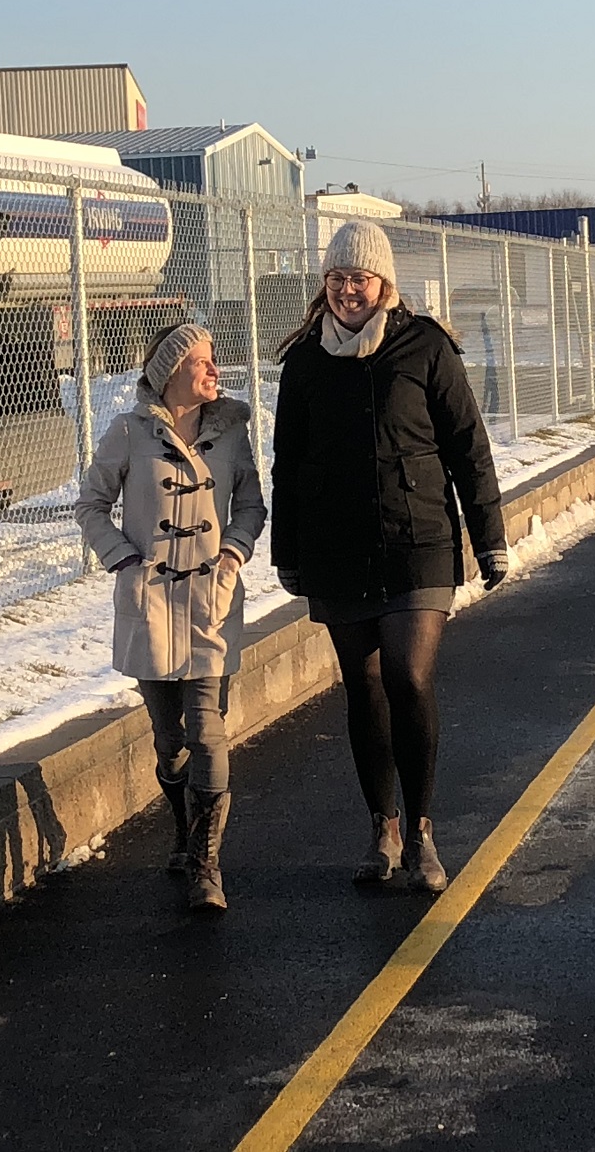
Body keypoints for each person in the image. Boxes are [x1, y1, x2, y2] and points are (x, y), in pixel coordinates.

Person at [269, 220, 509, 895]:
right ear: (326, 285)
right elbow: (289, 464)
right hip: (337, 547)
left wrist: (489, 536)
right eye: (338, 278)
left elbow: (468, 445)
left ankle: (424, 830)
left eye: (361, 278)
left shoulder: (425, 346)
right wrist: (287, 551)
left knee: (406, 674)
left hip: (420, 541)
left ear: (384, 284)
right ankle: (383, 827)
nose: (349, 290)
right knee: (364, 686)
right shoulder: (306, 363)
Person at [76, 323, 267, 912]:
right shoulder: (130, 431)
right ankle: (183, 832)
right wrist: (124, 560)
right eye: (203, 361)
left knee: (208, 727)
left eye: (214, 359)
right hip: (149, 604)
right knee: (170, 740)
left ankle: (207, 863)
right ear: (171, 372)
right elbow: (90, 503)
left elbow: (252, 505)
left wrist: (233, 552)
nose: (215, 370)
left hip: (211, 600)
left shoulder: (233, 430)